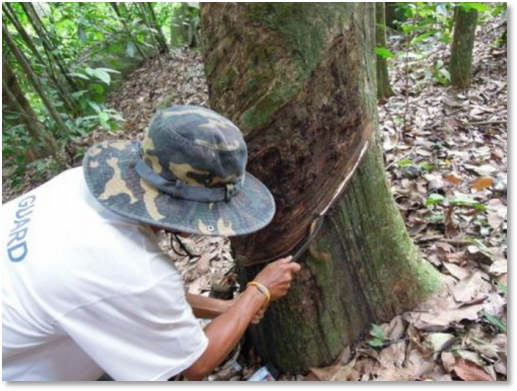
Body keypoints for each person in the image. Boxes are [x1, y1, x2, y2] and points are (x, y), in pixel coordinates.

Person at [2, 105, 301, 381]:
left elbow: (129, 296)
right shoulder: (132, 267)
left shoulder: (74, 185)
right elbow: (196, 364)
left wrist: (225, 309)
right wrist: (258, 291)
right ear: (189, 220)